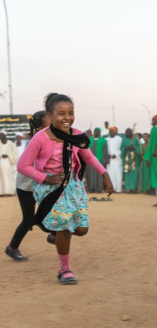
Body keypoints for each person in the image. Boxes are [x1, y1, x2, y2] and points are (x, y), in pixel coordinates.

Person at [17, 93, 114, 284]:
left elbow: (88, 157)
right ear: (50, 115)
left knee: (81, 229)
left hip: (73, 185)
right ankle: (65, 270)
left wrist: (105, 174)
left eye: (71, 113)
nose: (67, 117)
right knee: (65, 226)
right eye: (61, 113)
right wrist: (46, 178)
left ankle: (57, 234)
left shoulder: (77, 135)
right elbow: (23, 165)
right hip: (49, 187)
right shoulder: (40, 138)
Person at [5, 111, 51, 261]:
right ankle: (12, 248)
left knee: (52, 210)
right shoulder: (37, 139)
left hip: (39, 184)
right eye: (49, 118)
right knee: (28, 219)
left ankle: (54, 234)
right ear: (42, 123)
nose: (53, 120)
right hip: (27, 186)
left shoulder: (48, 136)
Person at [85, 128, 109, 193]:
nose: (96, 132)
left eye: (97, 131)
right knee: (90, 175)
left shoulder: (103, 140)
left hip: (99, 161)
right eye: (95, 131)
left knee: (99, 176)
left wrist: (105, 161)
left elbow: (105, 151)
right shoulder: (90, 139)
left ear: (100, 132)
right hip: (90, 161)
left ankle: (99, 188)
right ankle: (91, 188)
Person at [121, 127, 141, 193]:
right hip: (127, 158)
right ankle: (129, 188)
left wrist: (134, 147)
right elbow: (121, 148)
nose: (126, 133)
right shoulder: (124, 139)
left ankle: (134, 188)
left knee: (134, 173)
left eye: (128, 132)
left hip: (134, 159)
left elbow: (139, 147)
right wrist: (126, 148)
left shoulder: (135, 139)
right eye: (126, 132)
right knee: (128, 173)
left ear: (131, 132)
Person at [0, 130, 17, 196]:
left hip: (9, 162)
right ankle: (1, 192)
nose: (0, 135)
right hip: (0, 162)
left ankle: (9, 192)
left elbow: (15, 153)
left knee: (9, 176)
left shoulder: (10, 143)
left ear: (5, 135)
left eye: (1, 134)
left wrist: (8, 155)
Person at [106, 126, 123, 192]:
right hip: (109, 160)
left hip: (117, 159)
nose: (111, 132)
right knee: (109, 174)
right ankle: (110, 189)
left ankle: (118, 189)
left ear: (116, 132)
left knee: (118, 174)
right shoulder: (106, 139)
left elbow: (121, 148)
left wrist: (116, 154)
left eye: (113, 131)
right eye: (110, 131)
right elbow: (106, 149)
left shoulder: (120, 139)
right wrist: (108, 154)